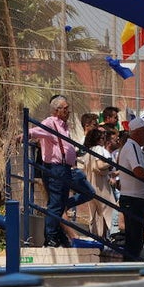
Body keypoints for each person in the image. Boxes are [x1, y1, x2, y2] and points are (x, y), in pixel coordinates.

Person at [28, 94, 90, 248]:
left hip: (65, 168)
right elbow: (36, 131)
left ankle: (58, 236)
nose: (68, 111)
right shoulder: (50, 122)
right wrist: (24, 135)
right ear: (57, 110)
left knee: (61, 204)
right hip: (55, 169)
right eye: (66, 109)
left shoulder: (63, 126)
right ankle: (50, 238)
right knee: (56, 204)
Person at [117, 116, 144, 261]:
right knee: (134, 240)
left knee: (136, 240)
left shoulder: (135, 148)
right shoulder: (132, 146)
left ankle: (130, 267)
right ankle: (129, 268)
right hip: (133, 199)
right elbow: (138, 170)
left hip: (137, 199)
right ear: (138, 132)